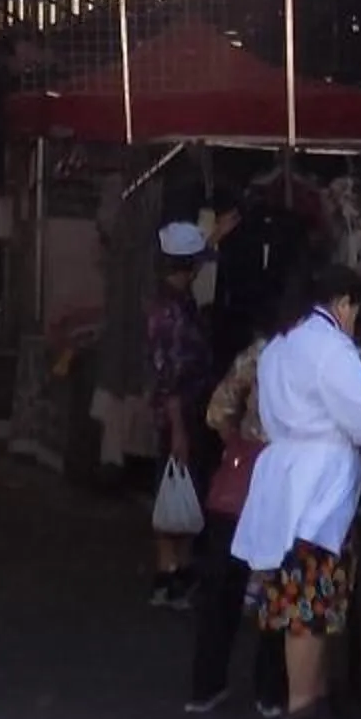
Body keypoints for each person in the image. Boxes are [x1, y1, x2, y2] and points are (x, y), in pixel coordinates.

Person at [231, 256, 361, 719]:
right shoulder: (330, 349)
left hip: (284, 470)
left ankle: (312, 694)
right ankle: (303, 703)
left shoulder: (280, 346)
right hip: (319, 478)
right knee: (309, 594)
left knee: (302, 590)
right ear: (343, 303)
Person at [184, 328, 291, 719]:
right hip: (289, 480)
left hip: (242, 476)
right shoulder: (327, 356)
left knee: (221, 584)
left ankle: (206, 684)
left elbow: (218, 410)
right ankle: (271, 690)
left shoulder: (260, 352)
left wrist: (237, 441)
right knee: (280, 584)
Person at [145, 222, 219, 604]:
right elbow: (170, 374)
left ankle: (177, 569)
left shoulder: (176, 304)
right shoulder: (172, 312)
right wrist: (178, 429)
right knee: (174, 484)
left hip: (187, 410)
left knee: (180, 486)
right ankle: (169, 570)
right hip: (180, 413)